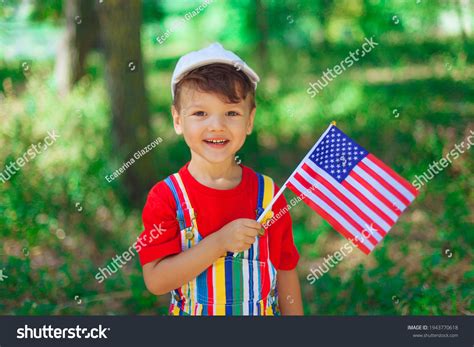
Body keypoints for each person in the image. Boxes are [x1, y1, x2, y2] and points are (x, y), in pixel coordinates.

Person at [137, 43, 303, 316]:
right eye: (200, 113)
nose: (217, 125)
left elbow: (285, 270)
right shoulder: (166, 197)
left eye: (232, 113)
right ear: (178, 120)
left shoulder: (269, 194)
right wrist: (218, 243)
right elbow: (156, 281)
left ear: (249, 121)